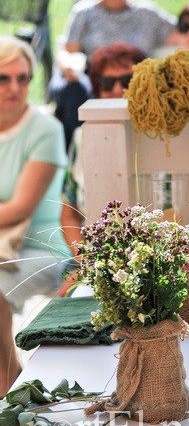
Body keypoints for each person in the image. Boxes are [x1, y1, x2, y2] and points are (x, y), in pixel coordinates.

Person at [52, 0, 177, 152]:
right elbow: (67, 49)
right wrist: (67, 65)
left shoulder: (147, 13)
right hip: (99, 88)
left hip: (137, 88)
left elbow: (183, 36)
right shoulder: (84, 12)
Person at [0, 37, 69, 396]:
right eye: (4, 78)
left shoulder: (45, 130)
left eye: (23, 78)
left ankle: (10, 391)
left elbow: (20, 207)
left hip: (42, 249)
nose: (15, 88)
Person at [59, 42, 147, 297]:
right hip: (92, 258)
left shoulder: (162, 138)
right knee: (61, 306)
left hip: (151, 261)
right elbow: (69, 214)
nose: (118, 90)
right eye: (107, 84)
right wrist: (87, 260)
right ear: (97, 90)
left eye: (128, 80)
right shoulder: (80, 137)